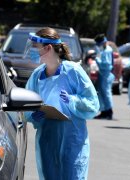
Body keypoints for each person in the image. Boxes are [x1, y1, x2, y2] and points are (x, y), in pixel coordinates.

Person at [24, 27, 99, 180]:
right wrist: (32, 114)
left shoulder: (74, 72)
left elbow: (92, 105)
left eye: (36, 47)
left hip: (72, 140)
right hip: (47, 139)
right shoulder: (37, 75)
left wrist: (72, 101)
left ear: (48, 48)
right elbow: (26, 103)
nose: (33, 50)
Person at [93, 34, 115, 120]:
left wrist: (97, 59)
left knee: (106, 93)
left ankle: (109, 111)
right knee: (102, 93)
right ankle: (104, 111)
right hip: (103, 74)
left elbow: (106, 64)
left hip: (106, 74)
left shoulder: (107, 51)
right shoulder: (105, 50)